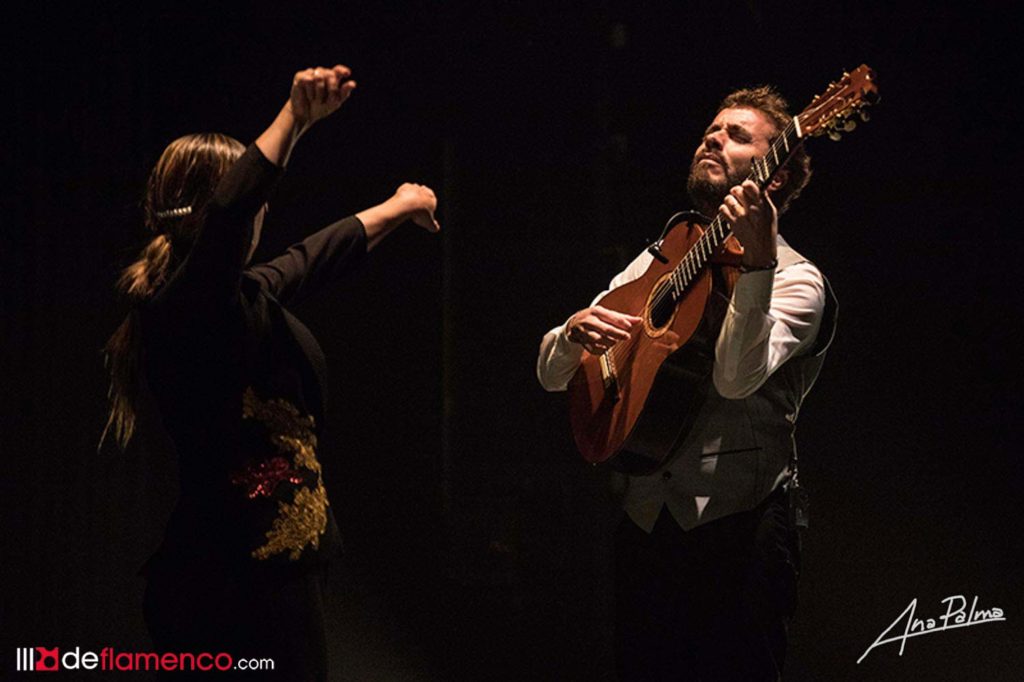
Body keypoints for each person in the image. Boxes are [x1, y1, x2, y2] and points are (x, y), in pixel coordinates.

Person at [102, 64, 439, 680]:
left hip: (275, 574)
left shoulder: (241, 296)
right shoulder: (184, 309)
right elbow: (231, 215)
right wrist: (295, 118)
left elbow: (312, 257)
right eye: (255, 199)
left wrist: (398, 205)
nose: (263, 213)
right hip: (228, 586)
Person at [536, 86, 836, 680]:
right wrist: (571, 333)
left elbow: (732, 378)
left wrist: (754, 267)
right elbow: (551, 374)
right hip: (647, 520)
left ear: (772, 176)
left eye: (737, 135)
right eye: (712, 128)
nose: (712, 137)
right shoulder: (661, 259)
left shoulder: (801, 282)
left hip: (741, 528)